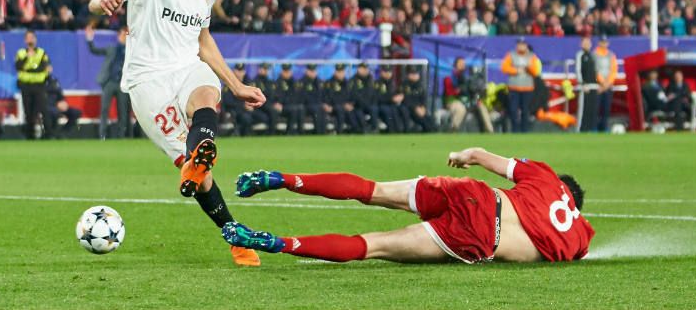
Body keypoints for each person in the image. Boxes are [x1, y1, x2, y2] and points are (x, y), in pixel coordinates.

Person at [87, 0, 266, 266]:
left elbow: (202, 39)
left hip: (187, 66)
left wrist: (236, 85)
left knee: (207, 92)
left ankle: (200, 151)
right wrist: (102, 1)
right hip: (147, 79)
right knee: (203, 178)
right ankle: (234, 235)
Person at [223, 147, 594, 264]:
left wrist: (462, 155)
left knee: (371, 189)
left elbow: (481, 155)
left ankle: (281, 178)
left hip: (474, 194)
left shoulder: (545, 177)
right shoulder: (580, 239)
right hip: (480, 235)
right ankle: (275, 243)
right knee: (373, 245)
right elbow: (571, 251)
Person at [86, 25, 130, 139]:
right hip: (109, 82)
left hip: (122, 83)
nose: (124, 36)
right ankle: (102, 135)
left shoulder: (131, 51)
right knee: (104, 109)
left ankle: (121, 136)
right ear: (119, 35)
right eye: (123, 33)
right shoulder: (112, 48)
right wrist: (90, 39)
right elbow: (94, 50)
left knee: (123, 111)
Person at [15, 30, 53, 139]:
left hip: (39, 85)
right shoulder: (21, 53)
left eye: (32, 37)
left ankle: (48, 134)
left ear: (35, 39)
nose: (30, 39)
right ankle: (30, 135)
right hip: (25, 85)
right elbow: (19, 66)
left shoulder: (41, 52)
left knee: (43, 109)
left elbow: (44, 67)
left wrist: (29, 68)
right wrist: (28, 57)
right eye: (28, 37)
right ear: (25, 40)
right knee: (28, 112)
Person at [501, 38, 541, 133]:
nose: (521, 46)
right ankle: (515, 130)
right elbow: (504, 68)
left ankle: (524, 131)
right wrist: (516, 70)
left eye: (523, 44)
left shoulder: (532, 56)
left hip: (527, 88)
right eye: (519, 44)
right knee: (513, 110)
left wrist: (528, 67)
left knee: (525, 110)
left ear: (526, 45)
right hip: (514, 87)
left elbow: (536, 71)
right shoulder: (511, 55)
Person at [45, 66, 82, 138]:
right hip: (46, 106)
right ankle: (51, 134)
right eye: (46, 67)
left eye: (49, 67)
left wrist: (62, 101)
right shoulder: (39, 82)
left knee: (76, 113)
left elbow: (59, 94)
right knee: (53, 112)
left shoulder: (54, 80)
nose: (48, 69)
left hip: (57, 105)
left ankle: (62, 133)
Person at [221, 63, 255, 136]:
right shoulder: (229, 83)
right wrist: (243, 105)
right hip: (234, 110)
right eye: (238, 71)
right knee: (246, 118)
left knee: (260, 115)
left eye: (241, 71)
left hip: (247, 110)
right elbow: (228, 101)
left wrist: (250, 105)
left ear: (244, 72)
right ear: (234, 71)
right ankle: (243, 136)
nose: (240, 73)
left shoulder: (247, 82)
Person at [593, 36, 617, 132]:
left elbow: (613, 70)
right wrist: (602, 82)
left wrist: (608, 83)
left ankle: (604, 127)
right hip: (598, 85)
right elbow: (595, 70)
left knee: (606, 108)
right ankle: (594, 127)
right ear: (599, 43)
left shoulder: (611, 55)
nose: (604, 44)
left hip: (608, 86)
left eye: (605, 42)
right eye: (602, 42)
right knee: (596, 107)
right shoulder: (594, 54)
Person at [401, 65, 436, 132]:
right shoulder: (405, 85)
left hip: (420, 109)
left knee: (430, 120)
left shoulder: (420, 85)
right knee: (425, 123)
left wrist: (423, 107)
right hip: (410, 109)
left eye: (416, 73)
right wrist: (415, 107)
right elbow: (406, 99)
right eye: (412, 73)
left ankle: (434, 129)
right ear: (408, 74)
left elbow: (423, 98)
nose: (414, 75)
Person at [375, 64, 408, 133]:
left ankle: (404, 130)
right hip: (382, 104)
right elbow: (377, 97)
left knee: (400, 109)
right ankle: (392, 130)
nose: (387, 74)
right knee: (388, 110)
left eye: (389, 72)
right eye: (385, 71)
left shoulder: (394, 83)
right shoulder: (378, 83)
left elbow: (400, 93)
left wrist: (400, 96)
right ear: (381, 72)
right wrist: (391, 99)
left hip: (393, 104)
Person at [349, 62, 380, 133]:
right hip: (358, 105)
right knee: (358, 111)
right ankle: (363, 129)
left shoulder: (371, 79)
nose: (365, 70)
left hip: (369, 104)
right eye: (363, 68)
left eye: (366, 69)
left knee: (374, 109)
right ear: (358, 69)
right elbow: (354, 94)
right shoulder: (353, 80)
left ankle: (374, 129)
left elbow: (373, 93)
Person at [575, 37, 598, 132]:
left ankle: (590, 128)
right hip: (584, 86)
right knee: (582, 110)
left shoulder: (593, 56)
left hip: (593, 86)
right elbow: (578, 70)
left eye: (588, 43)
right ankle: (580, 129)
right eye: (584, 43)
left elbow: (595, 71)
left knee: (591, 109)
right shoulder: (580, 55)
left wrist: (597, 83)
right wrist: (582, 83)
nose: (586, 45)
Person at [274, 64, 304, 135]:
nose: (287, 73)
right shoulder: (278, 82)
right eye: (285, 71)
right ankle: (289, 132)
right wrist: (277, 103)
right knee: (293, 110)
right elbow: (278, 96)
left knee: (300, 108)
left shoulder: (293, 82)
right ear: (282, 72)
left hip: (291, 105)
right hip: (282, 106)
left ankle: (301, 132)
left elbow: (296, 95)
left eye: (288, 71)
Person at [252, 63, 280, 135]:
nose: (266, 71)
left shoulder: (269, 81)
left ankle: (271, 132)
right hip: (260, 106)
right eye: (264, 69)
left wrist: (277, 102)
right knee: (272, 111)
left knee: (274, 110)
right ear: (259, 69)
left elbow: (274, 94)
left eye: (266, 69)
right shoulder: (256, 81)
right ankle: (271, 133)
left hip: (268, 104)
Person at [443, 57, 468, 132]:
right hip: (452, 101)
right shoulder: (449, 76)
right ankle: (453, 129)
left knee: (480, 107)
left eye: (464, 64)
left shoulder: (465, 77)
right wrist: (459, 90)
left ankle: (489, 132)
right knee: (461, 108)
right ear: (455, 65)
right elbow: (450, 92)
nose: (463, 65)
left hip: (465, 101)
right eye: (461, 64)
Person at [299, 64, 327, 134]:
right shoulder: (302, 82)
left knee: (323, 110)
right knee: (317, 109)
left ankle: (323, 132)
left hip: (318, 105)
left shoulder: (319, 82)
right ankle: (318, 132)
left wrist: (324, 103)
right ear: (307, 71)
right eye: (311, 71)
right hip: (307, 105)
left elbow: (323, 95)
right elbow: (303, 96)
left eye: (314, 71)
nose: (313, 73)